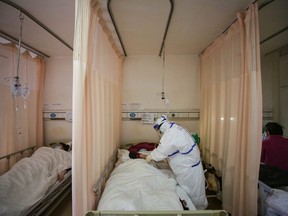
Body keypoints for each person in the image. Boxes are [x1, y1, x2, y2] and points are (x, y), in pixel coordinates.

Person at [146, 115, 208, 210]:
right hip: (190, 166)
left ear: (159, 128)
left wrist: (150, 157)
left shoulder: (170, 134)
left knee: (192, 192)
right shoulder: (175, 127)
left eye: (158, 131)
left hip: (188, 170)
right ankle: (195, 208)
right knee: (194, 191)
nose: (159, 134)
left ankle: (197, 211)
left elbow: (161, 151)